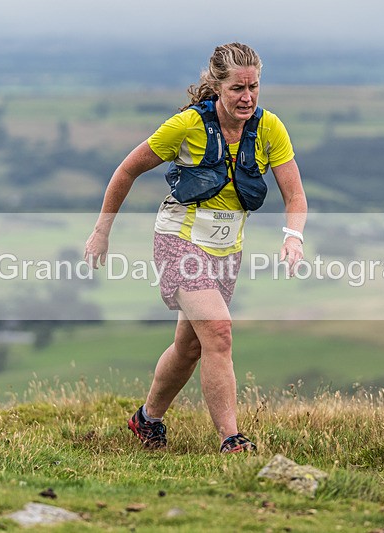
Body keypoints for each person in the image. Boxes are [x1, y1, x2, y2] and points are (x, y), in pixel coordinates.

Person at [84, 42, 307, 453]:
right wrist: (102, 231)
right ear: (217, 86)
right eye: (238, 88)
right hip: (179, 241)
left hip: (227, 252)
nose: (247, 97)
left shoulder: (270, 128)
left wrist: (293, 238)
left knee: (190, 347)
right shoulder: (186, 125)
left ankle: (146, 420)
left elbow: (295, 197)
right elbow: (126, 170)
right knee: (219, 332)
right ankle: (231, 439)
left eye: (254, 87)